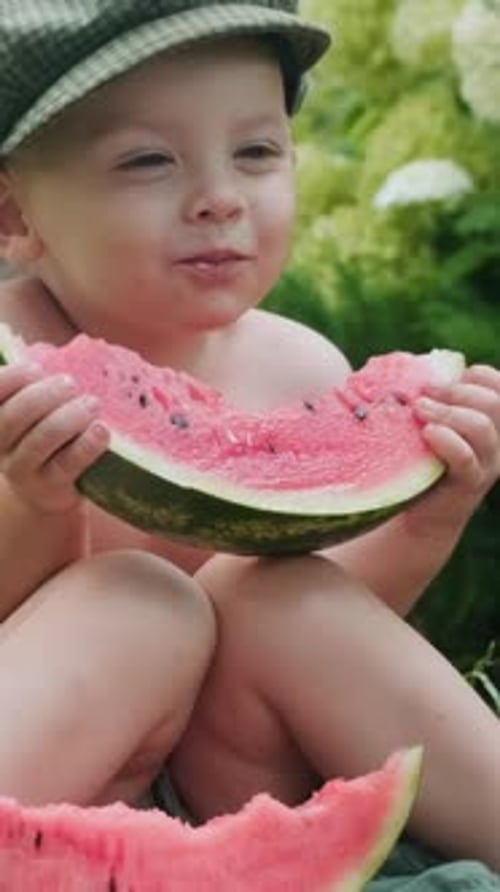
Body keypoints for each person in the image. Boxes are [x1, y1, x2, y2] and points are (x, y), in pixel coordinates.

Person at [0, 0, 498, 882]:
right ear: (12, 217)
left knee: (282, 599)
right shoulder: (11, 366)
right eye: (149, 160)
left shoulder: (300, 366)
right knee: (135, 603)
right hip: (37, 785)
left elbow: (318, 641)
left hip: (230, 795)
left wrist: (427, 517)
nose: (221, 198)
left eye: (258, 152)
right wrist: (36, 508)